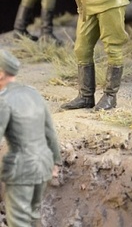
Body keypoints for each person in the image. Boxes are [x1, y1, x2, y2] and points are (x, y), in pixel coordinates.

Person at [0, 49, 61, 227]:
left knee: (18, 219)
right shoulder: (33, 93)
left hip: (22, 169)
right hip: (43, 165)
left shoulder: (4, 100)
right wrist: (55, 162)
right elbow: (50, 131)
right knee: (33, 214)